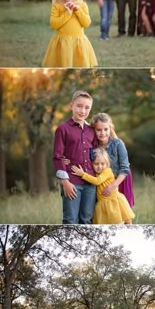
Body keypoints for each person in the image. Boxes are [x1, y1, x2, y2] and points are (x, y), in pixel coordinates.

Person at [53, 90, 97, 225]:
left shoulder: (91, 130)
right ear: (71, 105)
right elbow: (57, 157)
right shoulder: (63, 128)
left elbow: (95, 154)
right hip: (72, 183)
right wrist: (65, 182)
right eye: (79, 106)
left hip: (90, 183)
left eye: (87, 107)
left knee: (87, 221)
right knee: (71, 220)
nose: (83, 110)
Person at [42, 0, 97, 69]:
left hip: (78, 43)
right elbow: (53, 25)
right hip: (62, 44)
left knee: (79, 68)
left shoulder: (82, 5)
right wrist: (67, 14)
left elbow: (86, 23)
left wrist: (77, 10)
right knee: (63, 67)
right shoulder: (57, 6)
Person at [72, 149, 134, 224]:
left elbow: (97, 181)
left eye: (103, 164)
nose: (100, 167)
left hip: (112, 203)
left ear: (107, 164)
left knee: (119, 223)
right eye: (96, 164)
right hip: (103, 204)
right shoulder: (95, 174)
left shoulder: (107, 171)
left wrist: (82, 174)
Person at [90, 112, 134, 209]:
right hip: (102, 182)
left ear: (110, 128)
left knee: (123, 211)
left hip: (120, 179)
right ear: (93, 130)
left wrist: (113, 185)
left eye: (106, 129)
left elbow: (125, 168)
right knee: (108, 211)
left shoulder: (118, 143)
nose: (103, 133)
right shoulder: (93, 147)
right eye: (99, 130)